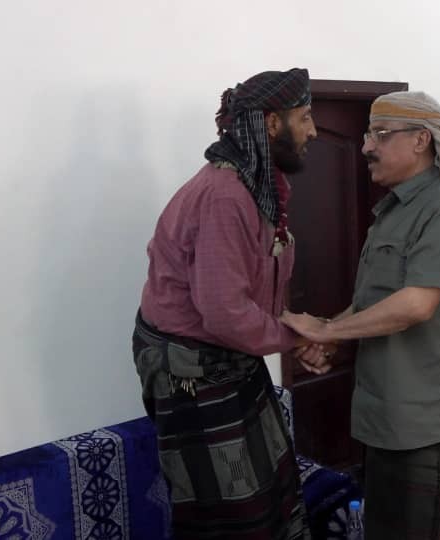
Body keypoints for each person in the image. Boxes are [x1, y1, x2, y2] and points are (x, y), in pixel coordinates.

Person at [283, 91, 440, 539]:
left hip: (430, 424)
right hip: (385, 417)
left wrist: (326, 329)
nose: (367, 146)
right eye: (367, 134)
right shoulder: (396, 209)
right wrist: (334, 335)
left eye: (380, 134)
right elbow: (375, 301)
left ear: (422, 140)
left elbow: (416, 304)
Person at [132, 68, 327, 540]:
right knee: (233, 514)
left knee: (271, 492)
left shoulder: (260, 187)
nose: (313, 131)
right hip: (194, 372)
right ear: (272, 123)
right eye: (304, 117)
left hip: (228, 357)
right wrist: (295, 337)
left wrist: (290, 328)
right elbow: (224, 313)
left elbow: (247, 289)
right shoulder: (225, 195)